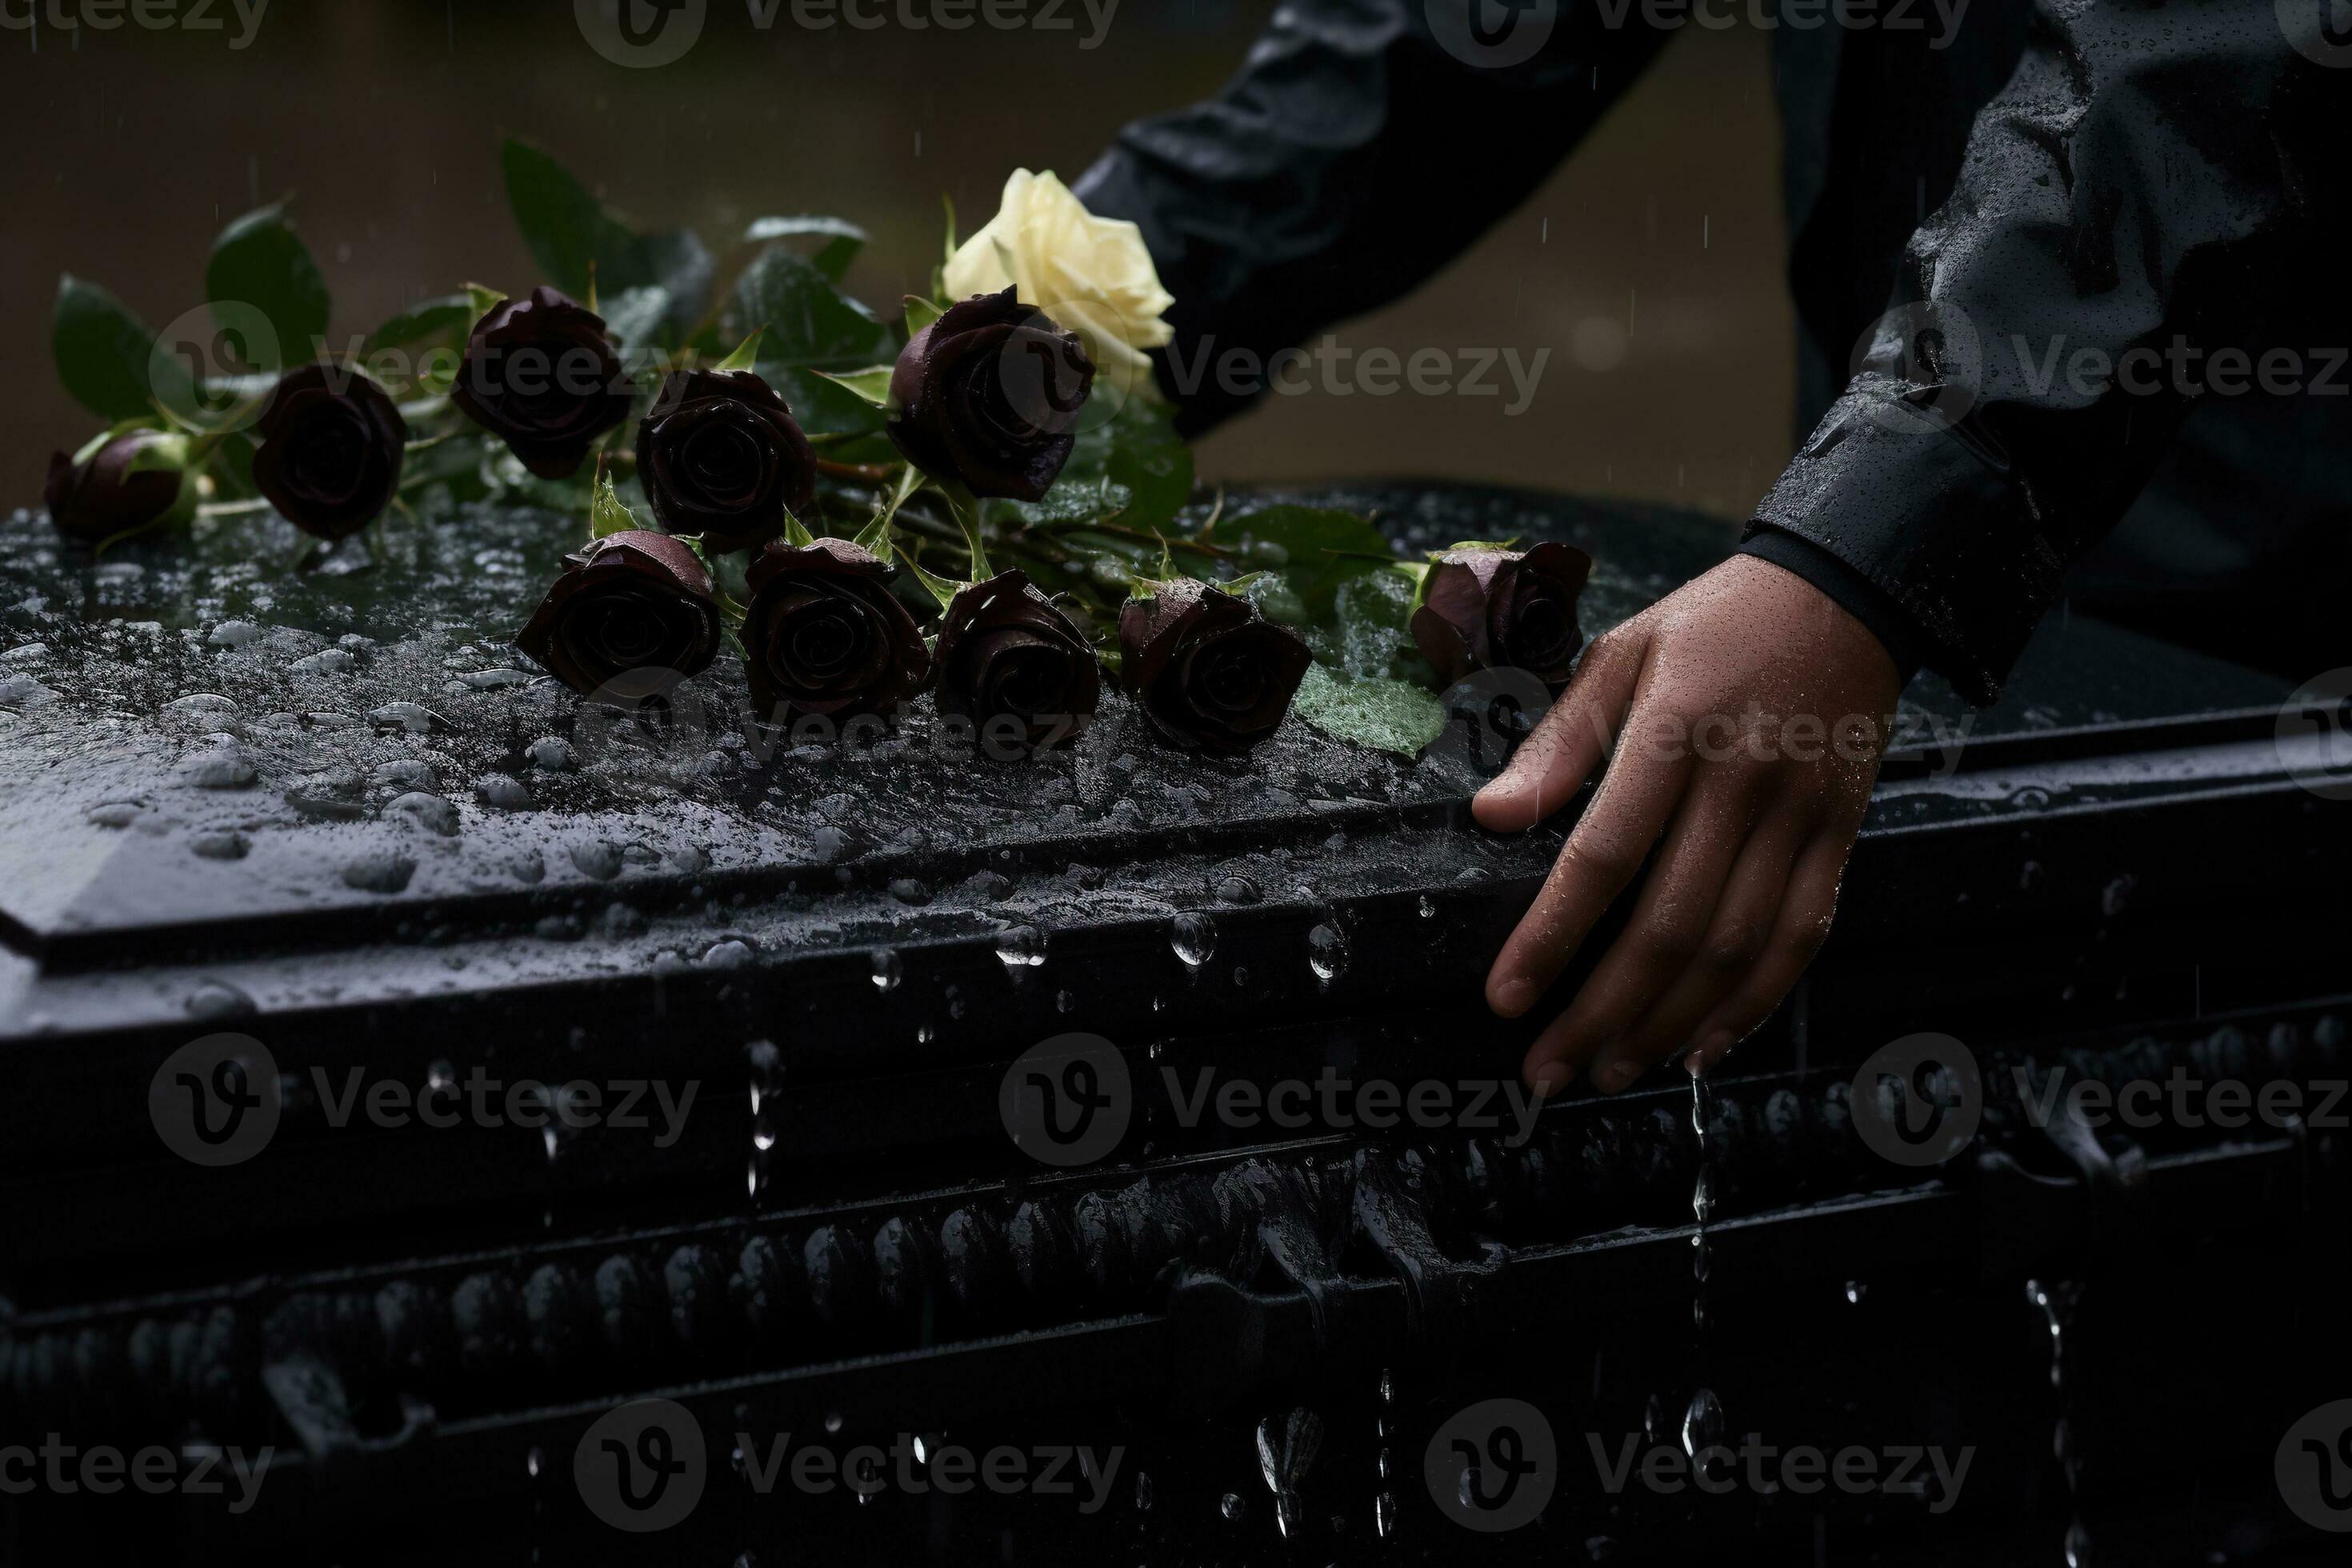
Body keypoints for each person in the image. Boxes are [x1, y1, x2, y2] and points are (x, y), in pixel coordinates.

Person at [1071, 0, 2352, 1094]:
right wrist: (1072, 310)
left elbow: (2212, 49)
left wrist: (1871, 543)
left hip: (2261, 577)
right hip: (1888, 510)